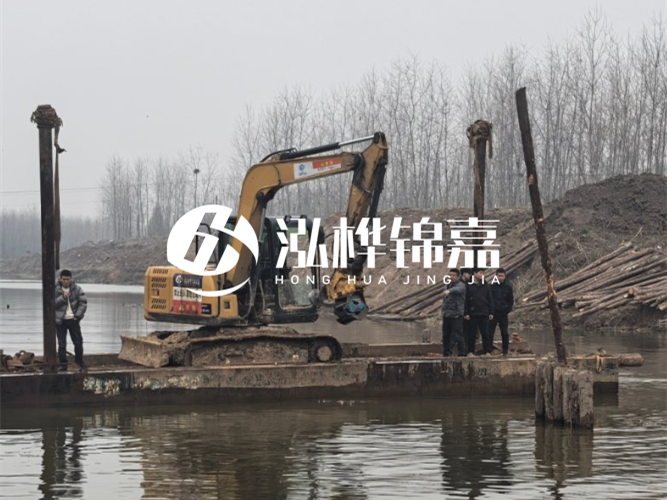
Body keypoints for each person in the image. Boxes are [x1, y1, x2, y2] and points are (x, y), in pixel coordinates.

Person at [55, 270, 88, 372]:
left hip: (73, 320)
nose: (66, 281)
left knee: (78, 342)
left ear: (71, 279)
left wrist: (77, 316)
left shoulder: (77, 289)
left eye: (67, 279)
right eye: (64, 279)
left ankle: (80, 361)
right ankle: (63, 364)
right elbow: (52, 304)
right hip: (60, 321)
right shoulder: (55, 289)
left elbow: (83, 303)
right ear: (60, 279)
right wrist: (63, 298)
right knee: (61, 344)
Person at [464, 268, 494, 355]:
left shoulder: (485, 285)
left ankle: (487, 351)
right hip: (472, 313)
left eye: (482, 273)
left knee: (485, 333)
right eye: (480, 273)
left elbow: (490, 298)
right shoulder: (468, 285)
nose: (481, 275)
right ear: (474, 273)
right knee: (471, 334)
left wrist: (491, 312)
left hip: (484, 312)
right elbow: (465, 300)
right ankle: (470, 351)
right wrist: (466, 312)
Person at [441, 269, 466, 357]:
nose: (451, 277)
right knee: (446, 335)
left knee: (458, 335)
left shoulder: (461, 285)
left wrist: (449, 291)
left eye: (453, 275)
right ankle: (446, 353)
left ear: (458, 277)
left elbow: (457, 290)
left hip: (456, 314)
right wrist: (443, 310)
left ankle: (462, 353)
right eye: (450, 275)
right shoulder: (447, 286)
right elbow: (445, 301)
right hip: (447, 314)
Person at [489, 268, 514, 357]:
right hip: (493, 313)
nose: (500, 277)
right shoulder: (491, 287)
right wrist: (490, 311)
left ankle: (505, 350)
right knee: (490, 332)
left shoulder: (508, 287)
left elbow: (510, 300)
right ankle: (489, 350)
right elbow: (488, 299)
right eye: (499, 276)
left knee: (504, 332)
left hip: (503, 313)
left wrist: (507, 309)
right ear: (496, 276)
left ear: (505, 276)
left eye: (502, 276)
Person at [460, 268, 473, 355]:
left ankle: (467, 350)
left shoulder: (470, 283)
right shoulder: (460, 284)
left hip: (470, 312)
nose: (470, 275)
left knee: (469, 332)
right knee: (461, 332)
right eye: (468, 273)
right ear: (464, 274)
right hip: (460, 312)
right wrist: (465, 313)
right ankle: (462, 350)